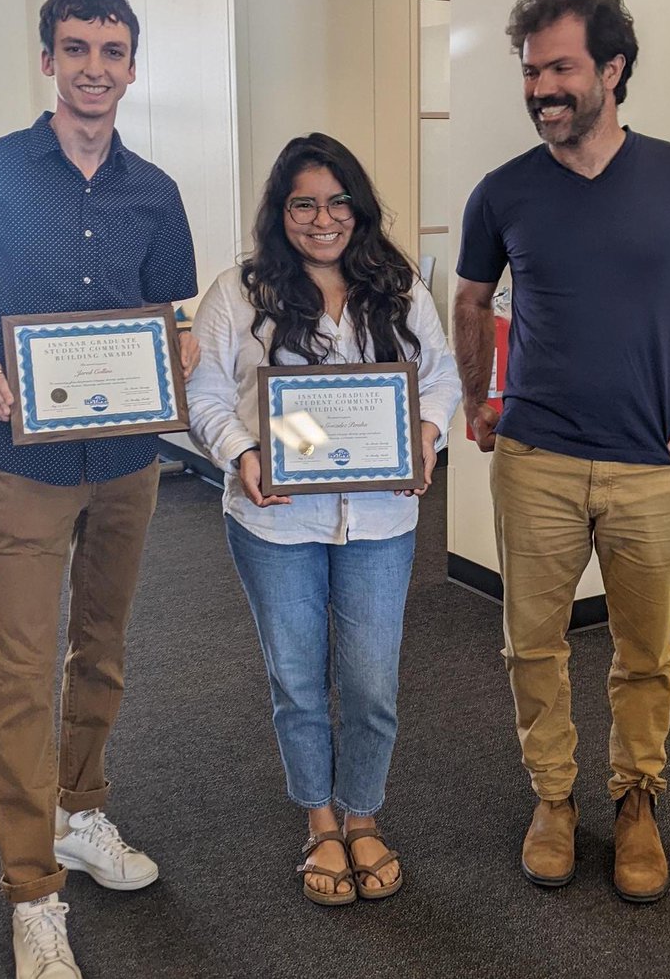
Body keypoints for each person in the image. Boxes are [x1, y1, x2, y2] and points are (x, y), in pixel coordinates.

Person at [454, 0, 670, 904]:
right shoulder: (504, 190)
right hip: (537, 458)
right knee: (532, 647)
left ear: (613, 70)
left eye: (560, 67)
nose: (542, 86)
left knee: (646, 653)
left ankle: (636, 800)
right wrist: (479, 398)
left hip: (654, 463)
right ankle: (555, 799)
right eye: (530, 70)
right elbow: (471, 300)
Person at [0, 0, 199, 978]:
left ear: (132, 65)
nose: (94, 66)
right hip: (23, 461)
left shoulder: (155, 192)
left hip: (127, 461)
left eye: (112, 50)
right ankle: (33, 890)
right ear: (48, 59)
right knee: (22, 673)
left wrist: (182, 359)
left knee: (104, 649)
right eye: (75, 47)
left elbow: (164, 316)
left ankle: (82, 812)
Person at [187, 133, 461, 906]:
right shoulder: (238, 294)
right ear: (281, 212)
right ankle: (319, 821)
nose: (322, 218)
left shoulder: (398, 285)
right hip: (275, 520)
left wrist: (428, 437)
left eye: (338, 201)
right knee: (299, 679)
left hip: (380, 516)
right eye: (303, 202)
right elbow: (207, 396)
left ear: (359, 208)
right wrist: (244, 452)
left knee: (371, 681)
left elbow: (438, 376)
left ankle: (364, 813)